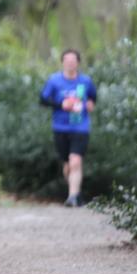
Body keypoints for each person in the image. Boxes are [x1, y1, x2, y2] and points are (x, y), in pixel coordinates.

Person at [39, 48, 97, 207]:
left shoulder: (85, 81)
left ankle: (72, 197)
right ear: (63, 62)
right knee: (67, 165)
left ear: (78, 63)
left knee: (75, 161)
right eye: (67, 60)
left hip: (80, 127)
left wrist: (91, 104)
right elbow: (43, 100)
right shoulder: (54, 81)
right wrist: (61, 104)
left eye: (73, 61)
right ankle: (76, 195)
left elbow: (93, 96)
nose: (70, 63)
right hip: (60, 127)